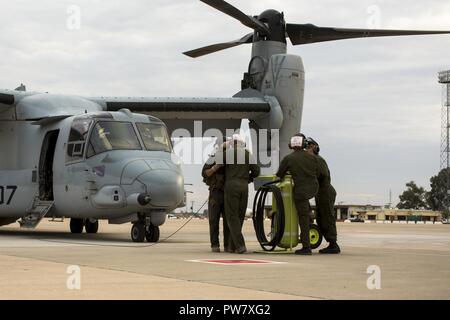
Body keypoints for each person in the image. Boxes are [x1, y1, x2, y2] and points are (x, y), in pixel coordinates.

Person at [211, 134, 260, 254]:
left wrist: (223, 147)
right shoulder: (248, 154)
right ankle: (232, 246)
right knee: (239, 216)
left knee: (232, 217)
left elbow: (215, 159)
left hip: (231, 186)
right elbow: (257, 171)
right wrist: (247, 178)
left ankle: (240, 245)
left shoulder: (228, 154)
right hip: (244, 186)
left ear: (232, 143)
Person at [276, 134, 319, 255]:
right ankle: (310, 215)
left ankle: (306, 247)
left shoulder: (289, 158)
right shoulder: (312, 157)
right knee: (305, 211)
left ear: (291, 146)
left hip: (301, 192)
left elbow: (279, 175)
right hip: (314, 188)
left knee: (303, 218)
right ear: (304, 144)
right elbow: (317, 172)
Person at [305, 137, 340, 254]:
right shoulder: (313, 160)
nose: (307, 149)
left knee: (327, 217)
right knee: (320, 218)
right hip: (320, 192)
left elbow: (321, 175)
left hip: (325, 191)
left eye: (309, 147)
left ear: (315, 148)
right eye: (306, 147)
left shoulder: (318, 160)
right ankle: (331, 243)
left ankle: (333, 244)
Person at [202, 138, 230, 253]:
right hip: (216, 193)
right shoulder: (212, 158)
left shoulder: (232, 159)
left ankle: (227, 245)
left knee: (228, 222)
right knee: (214, 221)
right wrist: (215, 167)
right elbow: (205, 173)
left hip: (228, 193)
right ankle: (215, 245)